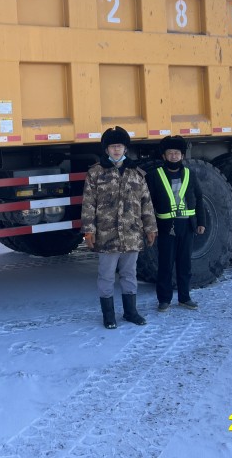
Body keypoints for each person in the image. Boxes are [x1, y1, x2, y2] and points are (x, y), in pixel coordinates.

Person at [82, 127, 158, 328]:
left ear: (125, 149)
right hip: (107, 236)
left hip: (132, 234)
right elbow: (88, 204)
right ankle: (109, 315)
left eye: (120, 146)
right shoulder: (96, 173)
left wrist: (150, 228)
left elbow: (146, 203)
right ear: (106, 150)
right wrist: (89, 231)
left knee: (129, 274)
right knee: (106, 276)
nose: (116, 150)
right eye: (112, 147)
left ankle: (131, 312)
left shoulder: (136, 173)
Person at [145, 135, 205, 312]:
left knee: (185, 264)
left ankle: (185, 298)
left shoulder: (190, 174)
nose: (173, 156)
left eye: (177, 153)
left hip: (187, 227)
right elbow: (148, 204)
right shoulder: (155, 176)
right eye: (170, 153)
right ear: (164, 156)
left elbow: (199, 198)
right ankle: (164, 299)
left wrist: (201, 222)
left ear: (182, 156)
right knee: (165, 265)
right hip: (166, 228)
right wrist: (151, 227)